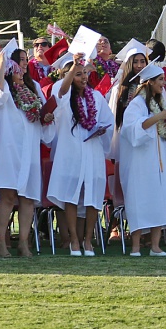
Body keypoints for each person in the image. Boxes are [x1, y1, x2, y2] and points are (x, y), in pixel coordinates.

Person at [46, 54, 114, 257]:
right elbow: (59, 92)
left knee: (93, 197)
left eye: (85, 73)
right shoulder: (66, 96)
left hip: (92, 151)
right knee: (71, 195)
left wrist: (102, 129)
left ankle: (88, 240)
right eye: (78, 74)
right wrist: (74, 65)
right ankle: (74, 239)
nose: (83, 77)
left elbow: (107, 120)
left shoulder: (97, 97)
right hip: (71, 152)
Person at [0, 50, 46, 257]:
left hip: (29, 149)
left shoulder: (33, 88)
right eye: (18, 62)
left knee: (28, 197)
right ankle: (1, 242)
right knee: (8, 197)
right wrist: (1, 64)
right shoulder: (3, 90)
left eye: (25, 62)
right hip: (9, 149)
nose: (23, 67)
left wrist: (47, 117)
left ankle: (23, 242)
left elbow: (42, 114)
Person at [118, 62, 166, 257]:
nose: (163, 83)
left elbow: (164, 128)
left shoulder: (162, 102)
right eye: (160, 80)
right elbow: (131, 129)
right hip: (140, 161)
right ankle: (135, 247)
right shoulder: (136, 103)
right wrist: (158, 116)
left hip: (160, 158)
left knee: (159, 198)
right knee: (140, 199)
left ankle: (155, 246)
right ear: (150, 82)